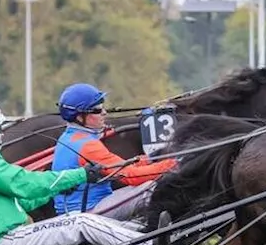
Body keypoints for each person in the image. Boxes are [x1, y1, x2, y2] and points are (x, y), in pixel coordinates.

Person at [0, 98, 153, 245]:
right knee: (82, 221)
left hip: (2, 238)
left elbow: (20, 201)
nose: (2, 134)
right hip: (8, 240)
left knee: (82, 220)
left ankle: (143, 237)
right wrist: (81, 175)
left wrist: (57, 190)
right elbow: (27, 184)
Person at [51, 84, 177, 222]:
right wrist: (173, 163)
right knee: (151, 187)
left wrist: (151, 159)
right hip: (88, 213)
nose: (104, 112)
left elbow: (121, 166)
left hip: (83, 208)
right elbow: (131, 176)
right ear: (80, 117)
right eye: (97, 110)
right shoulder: (87, 146)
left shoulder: (70, 136)